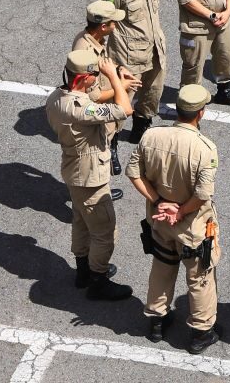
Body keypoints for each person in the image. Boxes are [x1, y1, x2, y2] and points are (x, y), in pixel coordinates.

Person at [126, 84, 222, 355]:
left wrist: (158, 201)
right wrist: (180, 211)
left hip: (159, 219)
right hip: (191, 225)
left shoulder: (151, 136)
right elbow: (203, 194)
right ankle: (201, 333)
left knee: (163, 265)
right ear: (200, 114)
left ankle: (157, 321)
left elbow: (134, 173)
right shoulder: (205, 149)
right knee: (199, 275)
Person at [44, 49, 133, 301]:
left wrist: (118, 82)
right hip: (90, 176)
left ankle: (83, 271)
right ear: (83, 78)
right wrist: (115, 81)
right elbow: (124, 110)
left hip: (73, 170)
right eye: (94, 74)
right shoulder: (80, 109)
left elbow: (91, 99)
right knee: (104, 230)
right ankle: (99, 280)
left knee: (81, 221)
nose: (97, 77)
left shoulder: (56, 98)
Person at [103, 0, 169, 143]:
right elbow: (104, 21)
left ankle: (140, 129)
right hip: (129, 57)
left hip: (154, 50)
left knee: (152, 94)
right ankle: (110, 143)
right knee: (122, 100)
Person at [74, 0, 141, 178]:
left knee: (108, 141)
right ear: (103, 26)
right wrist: (121, 86)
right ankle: (99, 192)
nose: (116, 24)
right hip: (96, 112)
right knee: (98, 156)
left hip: (106, 95)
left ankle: (112, 147)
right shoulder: (86, 52)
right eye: (113, 22)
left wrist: (119, 69)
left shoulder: (94, 38)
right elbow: (94, 97)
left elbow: (105, 62)